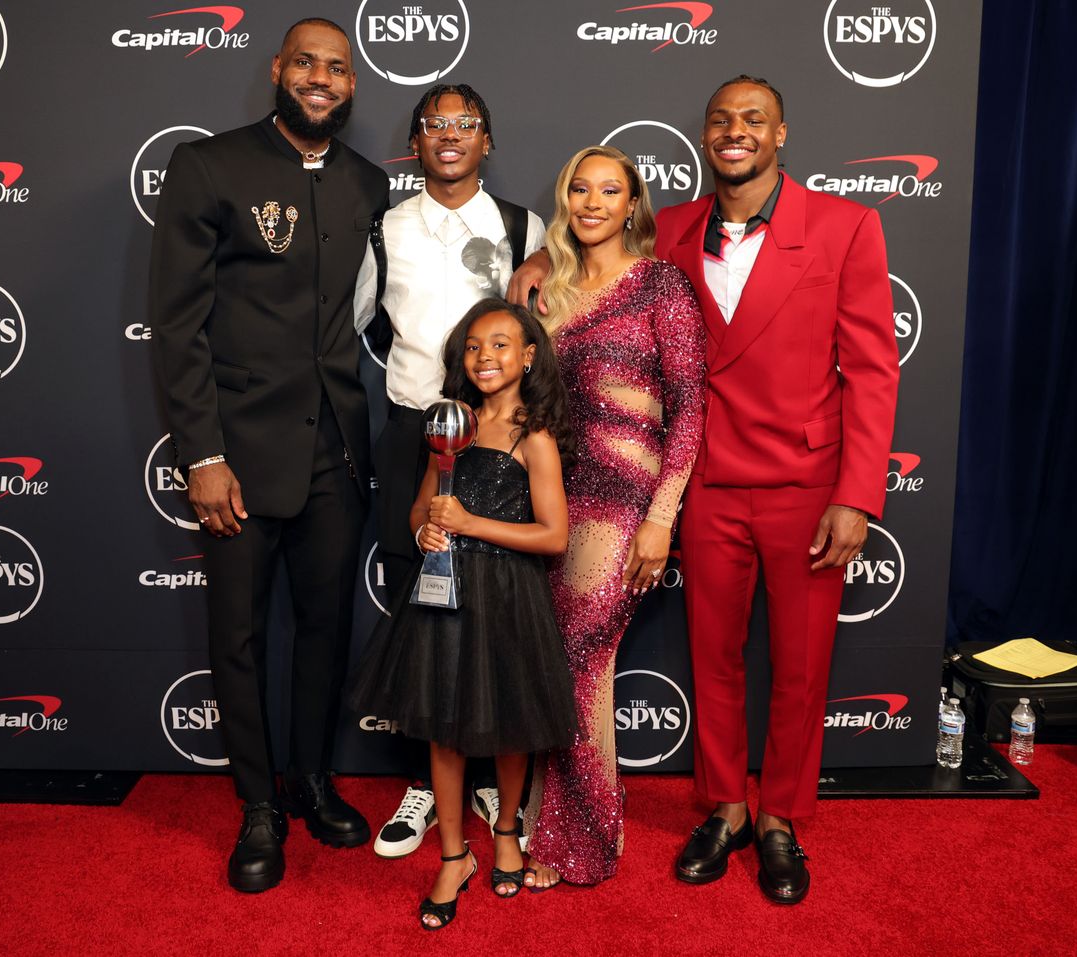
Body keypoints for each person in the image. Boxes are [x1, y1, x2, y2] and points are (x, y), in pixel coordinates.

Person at [510, 76, 900, 903]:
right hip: (707, 485)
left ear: (781, 133)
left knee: (799, 666)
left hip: (806, 483)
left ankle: (780, 820)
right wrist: (543, 256)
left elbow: (871, 369)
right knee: (714, 659)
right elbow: (597, 248)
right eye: (722, 120)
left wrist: (858, 493)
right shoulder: (674, 227)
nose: (735, 132)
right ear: (705, 135)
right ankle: (724, 808)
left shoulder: (845, 225)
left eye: (753, 119)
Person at [148, 18, 388, 893]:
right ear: (279, 71)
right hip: (238, 453)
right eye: (308, 64)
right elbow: (176, 326)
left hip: (335, 447)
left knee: (325, 630)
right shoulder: (209, 166)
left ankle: (312, 780)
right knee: (240, 636)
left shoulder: (368, 182)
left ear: (350, 85)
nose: (322, 79)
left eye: (338, 68)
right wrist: (201, 452)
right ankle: (257, 806)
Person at [351, 84, 546, 859]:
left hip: (498, 442)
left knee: (496, 607)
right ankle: (431, 786)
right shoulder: (386, 227)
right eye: (435, 125)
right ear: (416, 142)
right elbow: (355, 326)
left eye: (466, 124)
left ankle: (494, 784)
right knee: (420, 606)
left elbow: (546, 318)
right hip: (415, 434)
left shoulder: (521, 226)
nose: (451, 135)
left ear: (487, 140)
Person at [346, 299, 578, 929]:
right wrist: (425, 532)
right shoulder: (451, 425)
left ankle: (506, 832)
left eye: (501, 345)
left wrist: (473, 524)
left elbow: (554, 535)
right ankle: (453, 855)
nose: (486, 358)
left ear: (529, 357)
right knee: (444, 728)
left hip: (508, 596)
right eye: (474, 347)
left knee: (510, 723)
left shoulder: (534, 435)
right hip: (444, 596)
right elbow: (420, 511)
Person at [520, 146, 706, 889]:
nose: (592, 203)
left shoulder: (661, 282)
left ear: (633, 205)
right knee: (559, 660)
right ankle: (559, 820)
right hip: (555, 500)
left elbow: (690, 405)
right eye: (579, 190)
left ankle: (583, 838)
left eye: (610, 191)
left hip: (627, 503)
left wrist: (663, 515)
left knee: (580, 658)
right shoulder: (548, 291)